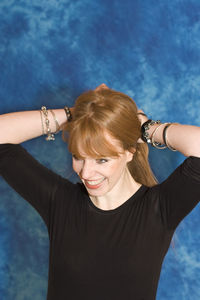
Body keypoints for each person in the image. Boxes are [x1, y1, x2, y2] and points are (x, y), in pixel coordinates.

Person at [0, 83, 200, 300]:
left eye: (102, 160)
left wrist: (145, 128)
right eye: (78, 157)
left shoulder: (159, 209)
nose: (86, 173)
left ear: (130, 151)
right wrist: (82, 116)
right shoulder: (60, 202)